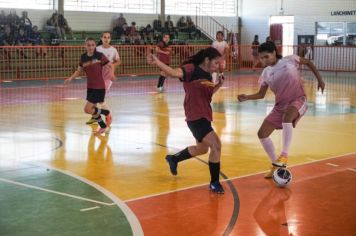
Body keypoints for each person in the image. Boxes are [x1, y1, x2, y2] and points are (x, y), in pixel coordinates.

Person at [237, 42, 325, 178]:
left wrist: (320, 80)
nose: (263, 60)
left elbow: (308, 63)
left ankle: (284, 155)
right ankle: (275, 165)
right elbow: (261, 94)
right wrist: (246, 97)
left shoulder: (290, 60)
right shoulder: (266, 73)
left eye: (266, 57)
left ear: (274, 53)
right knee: (262, 133)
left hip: (298, 99)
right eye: (261, 58)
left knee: (287, 118)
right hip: (280, 105)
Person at [147, 47, 226, 194]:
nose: (217, 67)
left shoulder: (209, 76)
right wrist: (157, 61)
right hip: (195, 116)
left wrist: (218, 85)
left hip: (205, 115)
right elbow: (174, 73)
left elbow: (207, 95)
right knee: (216, 145)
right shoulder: (191, 69)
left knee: (202, 149)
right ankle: (214, 183)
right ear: (207, 60)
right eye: (215, 63)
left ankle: (174, 159)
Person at [64, 38, 112, 135]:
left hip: (99, 87)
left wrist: (109, 74)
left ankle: (106, 113)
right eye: (88, 45)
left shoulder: (99, 56)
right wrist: (71, 78)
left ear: (95, 46)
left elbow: (109, 65)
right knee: (93, 111)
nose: (90, 47)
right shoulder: (83, 57)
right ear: (85, 46)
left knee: (87, 109)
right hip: (90, 87)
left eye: (92, 45)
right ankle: (102, 126)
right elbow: (78, 70)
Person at [86, 31, 120, 125]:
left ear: (110, 39)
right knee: (94, 98)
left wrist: (111, 66)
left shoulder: (113, 50)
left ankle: (109, 116)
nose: (106, 39)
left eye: (108, 37)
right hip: (96, 77)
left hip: (107, 77)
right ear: (101, 38)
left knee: (100, 99)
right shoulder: (97, 49)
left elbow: (118, 61)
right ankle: (94, 116)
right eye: (104, 37)